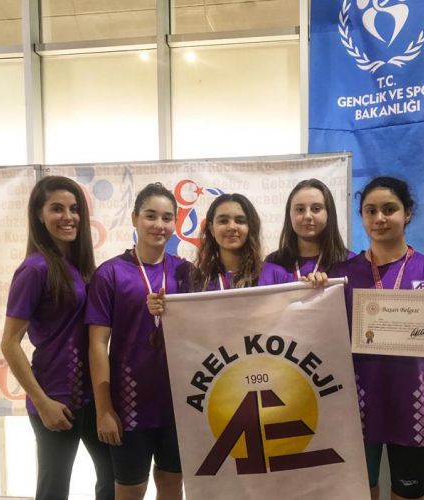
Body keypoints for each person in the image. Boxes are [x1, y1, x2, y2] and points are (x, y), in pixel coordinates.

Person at [329, 176, 424, 500]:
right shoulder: (340, 274)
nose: (379, 218)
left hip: (412, 404)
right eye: (370, 211)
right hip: (357, 406)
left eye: (389, 209)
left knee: (408, 495)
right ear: (362, 216)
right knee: (360, 493)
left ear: (408, 213)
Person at [1, 176, 114, 500]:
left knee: (115, 479)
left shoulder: (81, 266)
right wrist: (42, 402)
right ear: (39, 215)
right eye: (57, 209)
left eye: (74, 209)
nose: (68, 216)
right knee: (54, 489)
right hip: (55, 399)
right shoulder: (35, 269)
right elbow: (9, 343)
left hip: (93, 398)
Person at [87, 183, 191, 500]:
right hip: (128, 404)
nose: (159, 225)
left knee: (172, 483)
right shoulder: (110, 273)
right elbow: (97, 345)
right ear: (134, 218)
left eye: (167, 218)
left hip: (178, 403)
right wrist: (104, 410)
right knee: (131, 489)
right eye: (150, 216)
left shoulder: (186, 272)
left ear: (175, 223)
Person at [147, 192, 263, 321]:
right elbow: (184, 326)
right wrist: (162, 309)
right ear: (212, 229)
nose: (231, 227)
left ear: (250, 226)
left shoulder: (274, 275)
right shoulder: (197, 281)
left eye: (240, 221)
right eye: (223, 221)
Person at [259, 178, 352, 285]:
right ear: (289, 215)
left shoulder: (349, 261)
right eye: (300, 209)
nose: (307, 216)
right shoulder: (273, 263)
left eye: (316, 209)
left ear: (329, 214)